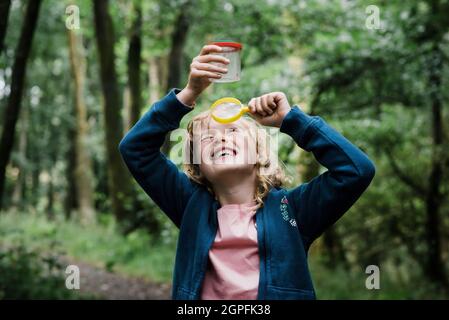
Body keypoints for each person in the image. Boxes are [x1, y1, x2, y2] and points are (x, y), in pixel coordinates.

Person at [119, 44, 375, 300]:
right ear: (198, 167)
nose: (220, 140)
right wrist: (189, 93)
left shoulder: (294, 210)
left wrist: (291, 121)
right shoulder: (189, 205)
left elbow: (356, 171)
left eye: (232, 132)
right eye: (207, 139)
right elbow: (135, 149)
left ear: (260, 153)